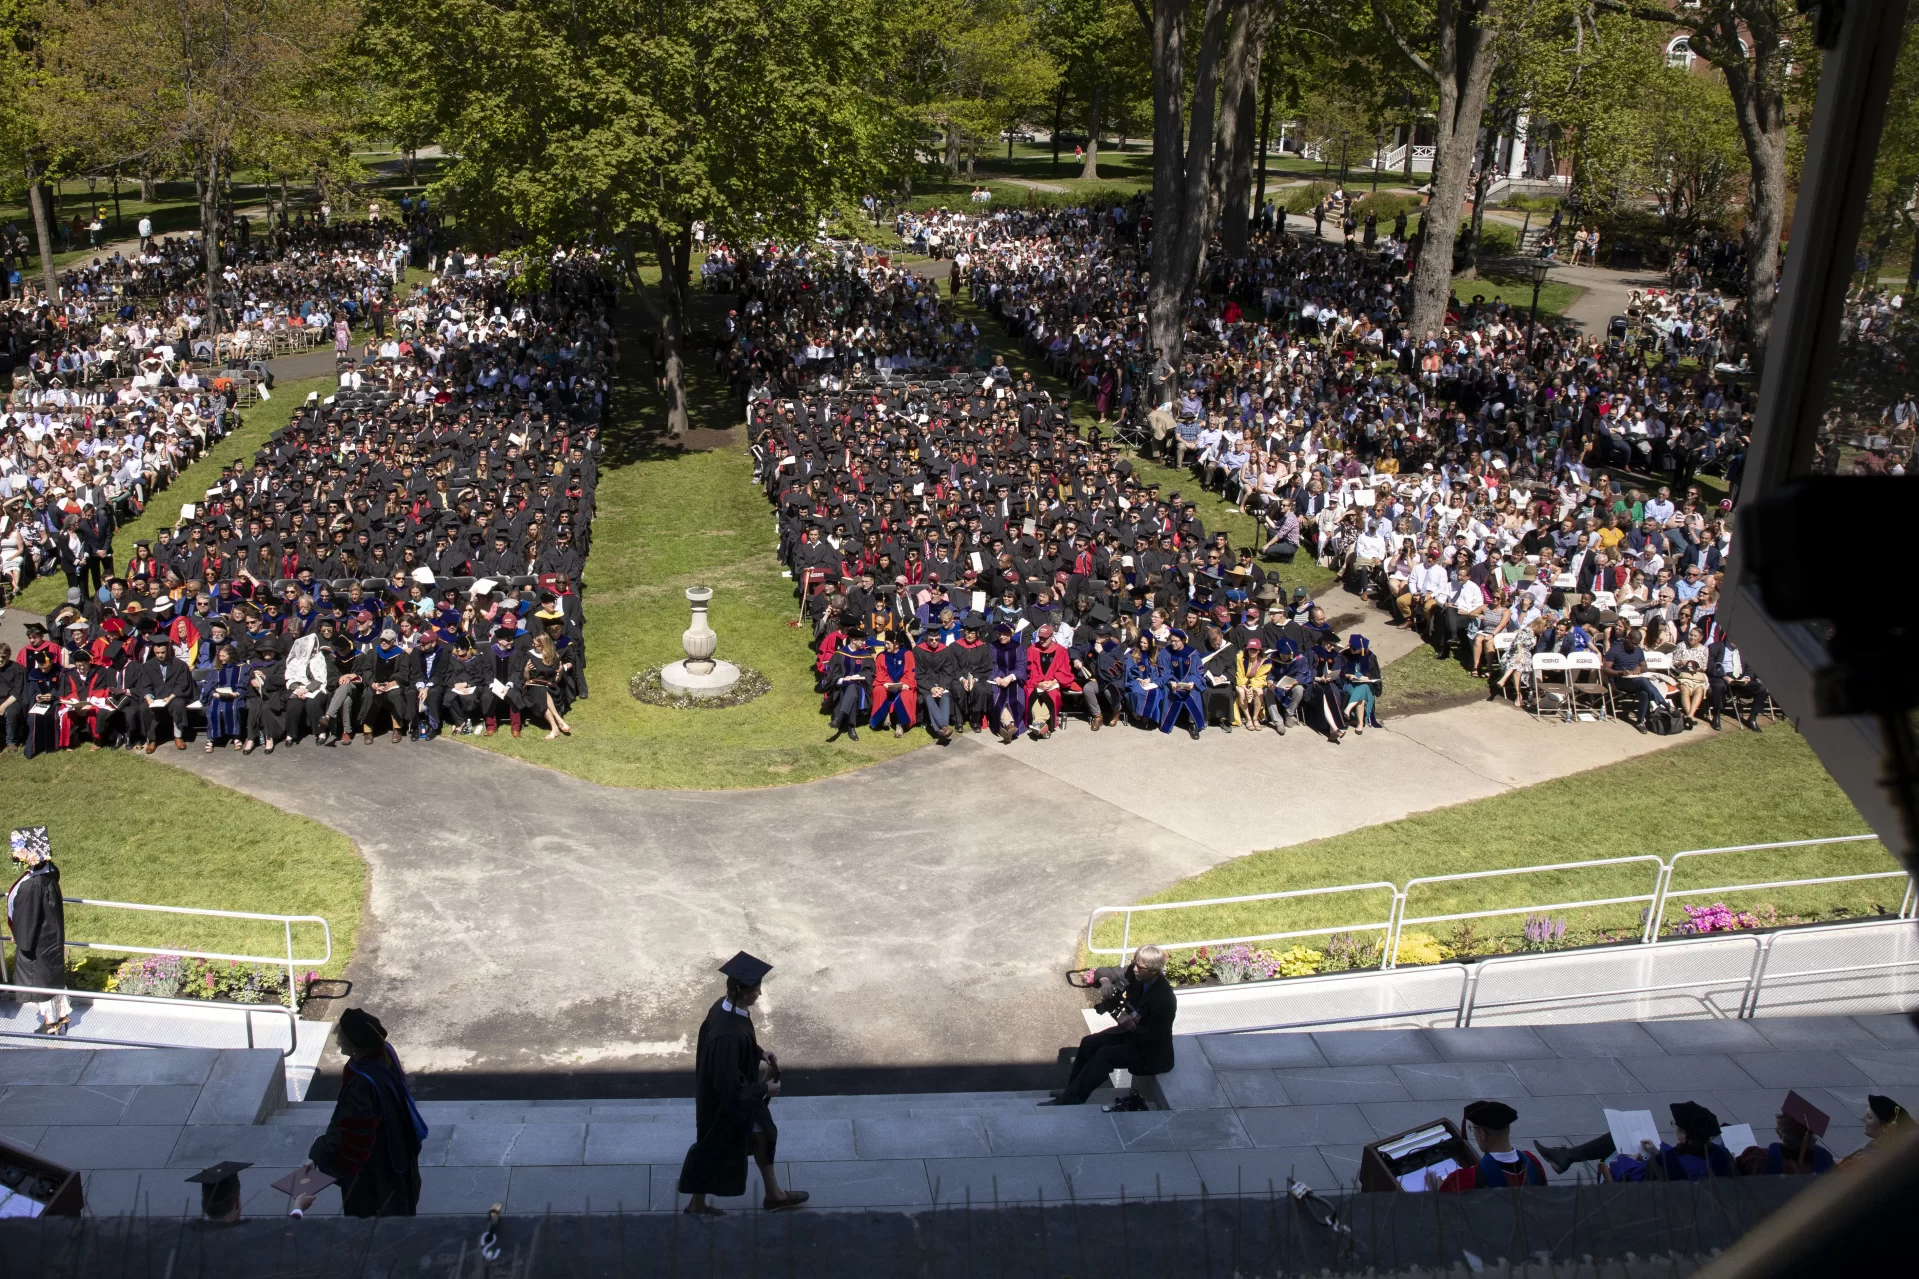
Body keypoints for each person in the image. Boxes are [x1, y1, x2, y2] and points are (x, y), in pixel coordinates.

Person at [678, 951, 809, 1216]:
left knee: (760, 1136)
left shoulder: (723, 1008)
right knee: (712, 1149)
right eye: (756, 989)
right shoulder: (728, 1034)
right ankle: (767, 1197)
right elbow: (729, 1086)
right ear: (743, 991)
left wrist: (759, 1052)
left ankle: (773, 1195)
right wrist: (765, 1089)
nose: (759, 994)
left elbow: (737, 1043)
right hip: (727, 1104)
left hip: (724, 1097)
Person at [301, 1007, 425, 1216]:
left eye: (342, 1039)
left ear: (356, 1046)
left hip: (375, 1166)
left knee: (374, 1214)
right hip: (395, 1144)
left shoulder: (363, 1082)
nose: (339, 1043)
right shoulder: (383, 1054)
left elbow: (354, 1134)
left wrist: (320, 1153)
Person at [1044, 944, 1175, 1107]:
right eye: (1134, 964)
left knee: (1105, 1055)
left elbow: (1157, 1038)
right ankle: (1071, 1089)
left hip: (1150, 1052)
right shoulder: (1135, 973)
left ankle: (1070, 1100)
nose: (1134, 969)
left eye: (1140, 967)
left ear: (1154, 970)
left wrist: (1133, 1027)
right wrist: (1105, 982)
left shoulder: (1164, 999)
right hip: (1132, 1036)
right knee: (1089, 1043)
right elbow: (1102, 971)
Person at [1534, 1100, 1735, 1181]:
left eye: (1676, 1127)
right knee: (1622, 1138)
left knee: (1618, 1142)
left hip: (1643, 1205)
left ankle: (1566, 1157)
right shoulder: (1723, 1156)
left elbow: (1627, 1178)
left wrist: (1626, 1160)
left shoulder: (1666, 1163)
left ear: (1684, 1134)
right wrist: (1658, 1151)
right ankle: (1566, 1157)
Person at [6, 827, 68, 1034]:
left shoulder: (33, 885)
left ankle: (51, 1022)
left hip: (36, 942)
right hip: (50, 936)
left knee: (40, 981)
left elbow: (27, 916)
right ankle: (62, 1014)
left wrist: (20, 938)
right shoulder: (49, 873)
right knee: (51, 978)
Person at [1434, 1100, 1549, 1190]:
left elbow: (1441, 1212)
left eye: (1473, 1128)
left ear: (1483, 1134)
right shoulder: (1533, 1164)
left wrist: (1436, 1192)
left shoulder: (1465, 1179)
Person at [1839, 1094, 1914, 1169]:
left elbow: (1836, 1174)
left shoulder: (1869, 1159)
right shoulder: (1891, 1147)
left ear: (1885, 1127)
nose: (1864, 1120)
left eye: (1869, 1117)